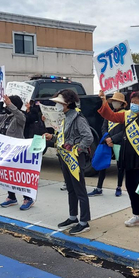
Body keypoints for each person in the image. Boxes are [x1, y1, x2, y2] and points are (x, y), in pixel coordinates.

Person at [98, 90, 139, 230]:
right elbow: (111, 116)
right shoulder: (127, 115)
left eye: (136, 103)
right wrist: (103, 100)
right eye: (132, 102)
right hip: (127, 158)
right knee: (131, 188)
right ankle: (138, 214)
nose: (133, 105)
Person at [44, 89, 94, 234]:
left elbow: (88, 137)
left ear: (68, 103)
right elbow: (63, 139)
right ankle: (73, 217)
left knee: (80, 189)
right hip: (65, 157)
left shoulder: (78, 118)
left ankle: (84, 222)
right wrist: (51, 137)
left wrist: (77, 150)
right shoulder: (66, 117)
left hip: (74, 157)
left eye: (60, 103)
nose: (58, 106)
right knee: (71, 188)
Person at [0, 94, 34, 210]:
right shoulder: (6, 117)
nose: (5, 105)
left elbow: (19, 114)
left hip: (17, 152)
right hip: (5, 151)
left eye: (8, 103)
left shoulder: (20, 117)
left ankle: (28, 198)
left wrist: (10, 104)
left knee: (18, 175)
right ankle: (11, 197)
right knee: (8, 174)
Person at [88, 91, 126, 197]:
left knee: (120, 166)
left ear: (122, 103)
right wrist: (107, 138)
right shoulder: (110, 113)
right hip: (107, 141)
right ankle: (99, 187)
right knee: (102, 164)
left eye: (117, 101)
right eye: (114, 101)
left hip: (119, 143)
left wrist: (113, 139)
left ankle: (118, 187)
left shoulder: (125, 114)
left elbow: (124, 130)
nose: (115, 103)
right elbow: (104, 126)